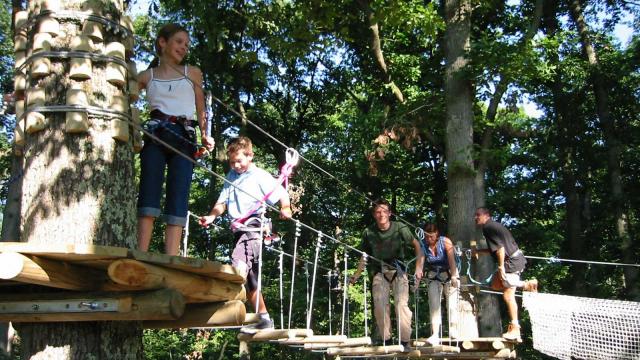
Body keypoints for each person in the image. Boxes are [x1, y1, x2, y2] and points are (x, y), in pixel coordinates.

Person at [199, 136, 292, 333]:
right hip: (239, 229)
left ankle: (224, 302)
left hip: (254, 226)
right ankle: (264, 318)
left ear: (250, 156)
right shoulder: (231, 176)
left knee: (238, 264)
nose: (236, 165)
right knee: (251, 279)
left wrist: (286, 208)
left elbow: (282, 193)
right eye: (232, 162)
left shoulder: (259, 175)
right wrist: (211, 217)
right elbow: (221, 203)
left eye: (239, 161)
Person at [136, 23, 214, 256]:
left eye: (187, 45)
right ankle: (142, 252)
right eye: (179, 42)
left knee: (179, 192)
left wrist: (205, 133)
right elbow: (126, 95)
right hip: (156, 132)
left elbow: (201, 107)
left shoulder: (193, 72)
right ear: (163, 42)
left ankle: (171, 256)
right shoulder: (145, 76)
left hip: (184, 135)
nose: (184, 48)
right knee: (149, 189)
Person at [350, 199, 424, 351]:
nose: (381, 214)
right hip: (379, 270)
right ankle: (387, 339)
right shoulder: (369, 232)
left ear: (390, 213)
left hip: (399, 270)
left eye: (384, 211)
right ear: (374, 215)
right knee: (379, 305)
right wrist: (357, 274)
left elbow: (417, 246)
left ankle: (404, 341)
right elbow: (364, 256)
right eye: (378, 212)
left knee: (401, 305)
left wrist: (418, 268)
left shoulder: (399, 227)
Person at [473, 207, 538, 341]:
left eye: (478, 215)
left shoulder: (488, 227)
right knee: (497, 285)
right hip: (516, 258)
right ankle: (515, 328)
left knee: (508, 295)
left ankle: (527, 285)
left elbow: (500, 248)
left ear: (486, 215)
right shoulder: (494, 226)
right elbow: (495, 248)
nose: (476, 217)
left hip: (512, 261)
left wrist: (501, 266)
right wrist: (479, 251)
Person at [422, 223, 460, 346]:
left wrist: (454, 276)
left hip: (449, 273)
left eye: (431, 237)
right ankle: (435, 333)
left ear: (437, 234)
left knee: (452, 304)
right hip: (434, 275)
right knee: (434, 304)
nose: (429, 239)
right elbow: (421, 261)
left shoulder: (446, 242)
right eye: (427, 237)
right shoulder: (423, 244)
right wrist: (418, 275)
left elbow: (451, 260)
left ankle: (453, 330)